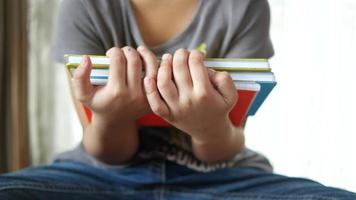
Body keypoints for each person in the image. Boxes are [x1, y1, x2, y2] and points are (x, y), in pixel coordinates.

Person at [0, 0, 355, 199]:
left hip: (225, 179)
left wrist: (209, 128)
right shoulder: (85, 6)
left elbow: (223, 150)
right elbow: (107, 152)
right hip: (99, 175)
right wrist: (113, 117)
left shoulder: (242, 6)